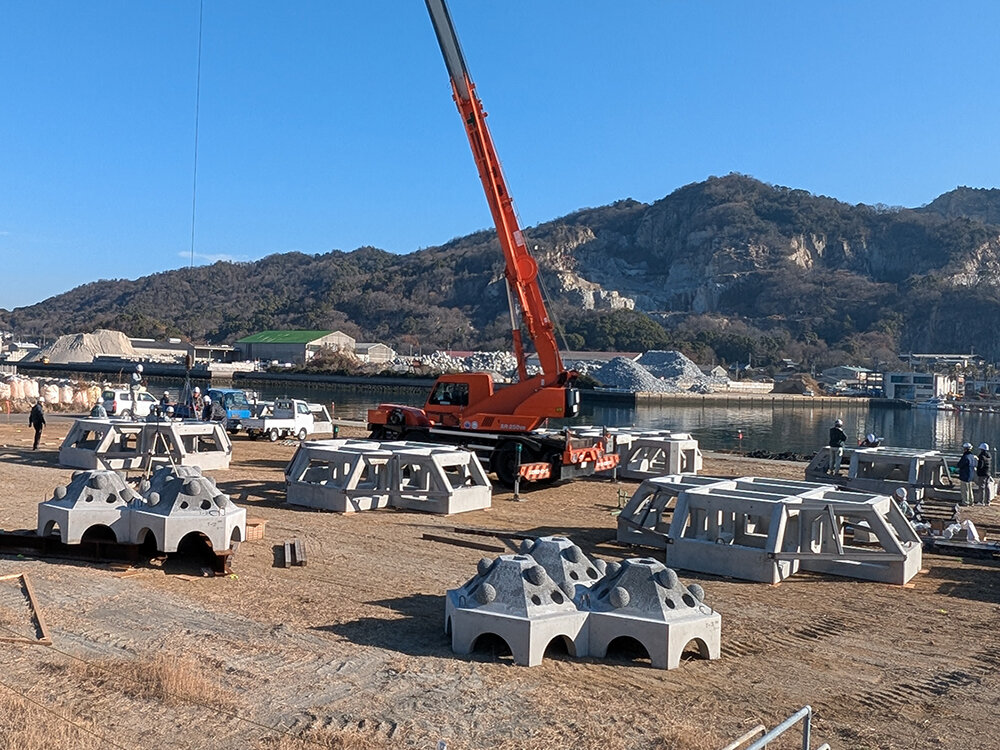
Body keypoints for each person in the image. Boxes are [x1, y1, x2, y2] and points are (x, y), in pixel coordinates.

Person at [957, 442, 977, 506]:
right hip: (970, 475)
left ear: (965, 449)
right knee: (970, 489)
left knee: (964, 490)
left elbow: (960, 465)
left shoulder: (965, 457)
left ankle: (965, 502)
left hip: (964, 475)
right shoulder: (972, 456)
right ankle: (971, 501)